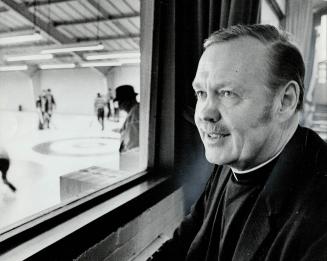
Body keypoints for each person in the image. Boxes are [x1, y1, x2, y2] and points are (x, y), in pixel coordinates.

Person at [149, 24, 327, 261]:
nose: (204, 114)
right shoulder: (233, 159)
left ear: (285, 101)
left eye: (227, 93)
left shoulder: (319, 213)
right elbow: (182, 243)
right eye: (201, 93)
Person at [114, 85, 139, 153]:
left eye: (120, 102)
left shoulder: (135, 115)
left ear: (127, 101)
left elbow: (132, 145)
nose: (119, 106)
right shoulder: (135, 111)